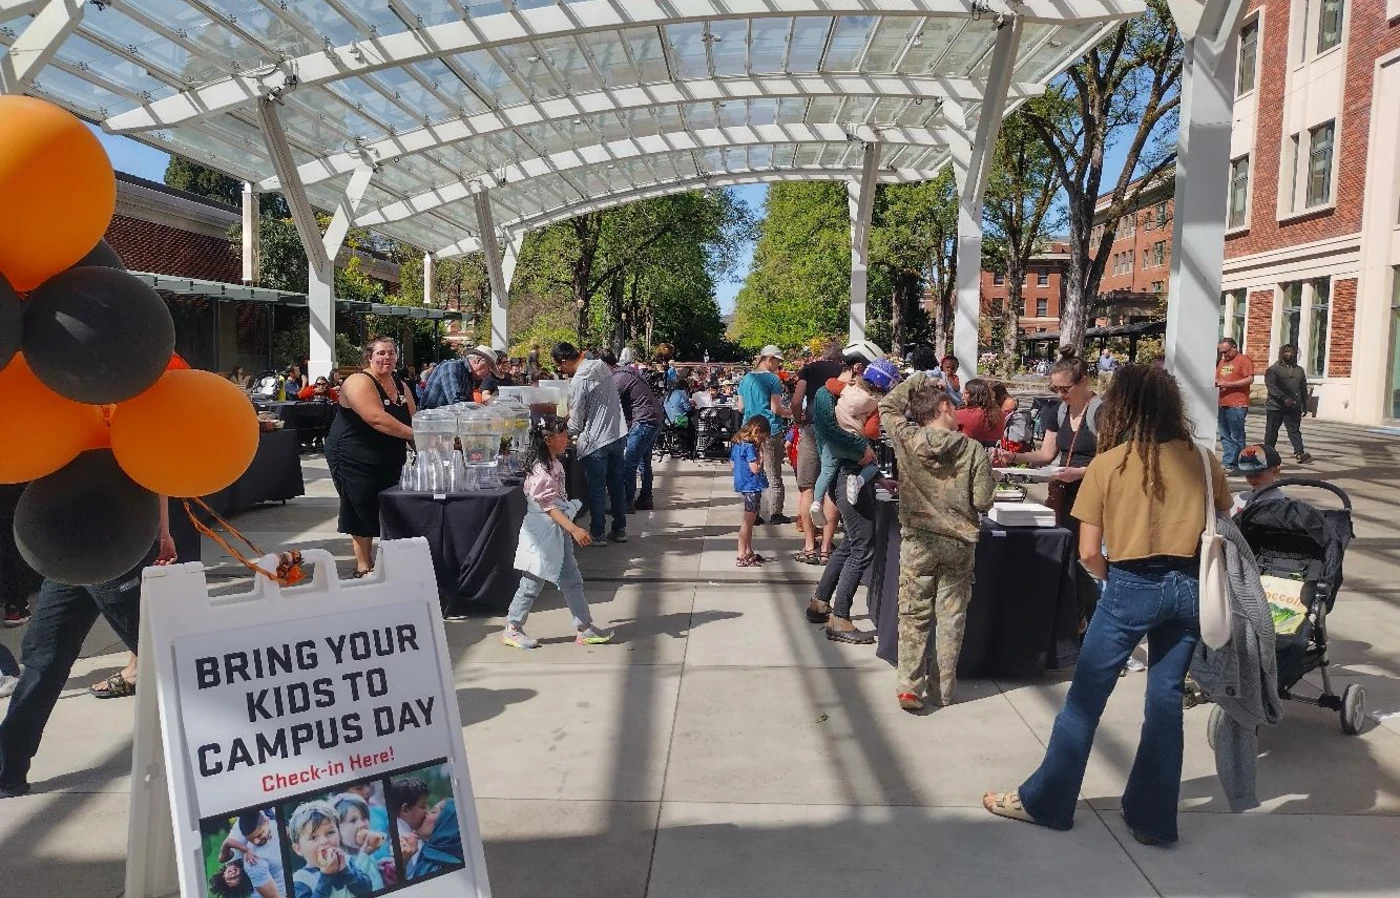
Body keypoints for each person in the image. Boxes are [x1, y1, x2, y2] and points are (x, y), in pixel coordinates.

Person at [984, 363, 1231, 846]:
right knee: (1164, 702)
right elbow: (1220, 519)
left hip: (1129, 585)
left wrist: (1110, 579)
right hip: (1187, 588)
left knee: (1084, 702)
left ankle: (1048, 801)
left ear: (1121, 408)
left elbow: (1089, 551)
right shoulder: (1202, 459)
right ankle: (1152, 817)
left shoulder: (1109, 464)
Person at [0, 502, 175, 797]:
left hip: (115, 547)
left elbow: (154, 470)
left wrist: (163, 533)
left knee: (162, 662)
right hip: (68, 555)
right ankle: (7, 772)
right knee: (43, 656)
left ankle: (219, 748)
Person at [878, 373, 995, 711]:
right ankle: (943, 689)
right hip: (958, 543)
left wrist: (916, 379)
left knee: (913, 613)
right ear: (944, 407)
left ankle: (908, 687)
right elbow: (984, 499)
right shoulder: (972, 449)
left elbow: (888, 404)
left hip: (918, 541)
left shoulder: (906, 438)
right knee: (951, 616)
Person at [994, 349, 1104, 652]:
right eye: (1054, 389)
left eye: (1064, 389)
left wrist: (1081, 471)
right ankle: (1082, 619)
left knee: (1083, 555)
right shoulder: (1058, 411)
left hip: (1093, 494)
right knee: (1067, 554)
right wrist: (1013, 457)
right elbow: (1046, 454)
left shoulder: (1101, 411)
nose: (1059, 394)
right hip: (1064, 493)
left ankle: (1091, 619)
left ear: (1083, 381)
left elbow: (1114, 460)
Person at [505, 416, 614, 648]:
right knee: (533, 580)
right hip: (543, 533)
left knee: (571, 578)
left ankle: (584, 627)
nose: (567, 438)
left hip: (556, 530)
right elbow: (548, 507)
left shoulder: (554, 464)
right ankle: (512, 627)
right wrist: (573, 528)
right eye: (562, 435)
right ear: (548, 440)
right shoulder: (540, 471)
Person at [805, 340, 886, 644]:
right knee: (862, 546)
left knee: (851, 543)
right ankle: (840, 617)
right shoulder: (828, 396)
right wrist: (862, 447)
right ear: (858, 368)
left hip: (846, 472)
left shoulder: (834, 394)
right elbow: (833, 435)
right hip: (848, 473)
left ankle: (820, 602)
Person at [325, 337, 415, 578]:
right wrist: (417, 435)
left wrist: (425, 444)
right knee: (361, 505)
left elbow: (411, 419)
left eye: (392, 353)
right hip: (354, 454)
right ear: (369, 356)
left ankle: (389, 561)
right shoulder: (358, 382)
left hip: (388, 454)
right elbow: (377, 418)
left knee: (388, 504)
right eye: (381, 353)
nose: (387, 358)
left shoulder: (400, 383)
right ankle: (363, 566)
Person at [551, 342, 630, 545]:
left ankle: (598, 534)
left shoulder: (579, 382)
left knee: (596, 489)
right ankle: (620, 529)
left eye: (561, 367)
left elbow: (576, 423)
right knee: (616, 485)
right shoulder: (601, 366)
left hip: (595, 442)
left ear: (565, 361)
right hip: (617, 434)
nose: (562, 371)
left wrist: (559, 433)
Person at [791, 340, 844, 565]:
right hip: (837, 432)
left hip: (812, 430)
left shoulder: (809, 369)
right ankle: (826, 549)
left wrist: (798, 420)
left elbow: (796, 401)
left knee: (807, 489)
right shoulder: (845, 371)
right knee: (832, 488)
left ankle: (809, 547)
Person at [832, 357, 899, 504]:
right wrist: (878, 434)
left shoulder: (847, 388)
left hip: (836, 440)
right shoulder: (874, 404)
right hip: (857, 443)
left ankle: (817, 501)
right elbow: (870, 431)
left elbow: (831, 384)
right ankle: (859, 481)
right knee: (873, 464)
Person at [738, 345, 791, 525]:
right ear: (769, 359)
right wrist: (792, 412)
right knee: (774, 473)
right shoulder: (772, 380)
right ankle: (776, 513)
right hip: (770, 429)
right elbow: (776, 408)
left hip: (749, 429)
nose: (778, 366)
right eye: (778, 362)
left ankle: (755, 513)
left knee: (754, 472)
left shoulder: (745, 378)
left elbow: (741, 407)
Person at [605, 349, 664, 512]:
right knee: (644, 461)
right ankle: (645, 498)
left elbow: (609, 406)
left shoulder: (618, 378)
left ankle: (625, 502)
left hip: (644, 420)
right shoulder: (629, 372)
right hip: (653, 418)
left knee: (627, 463)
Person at [286, 800, 373, 898]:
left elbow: (367, 889)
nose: (324, 841)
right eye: (313, 837)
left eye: (330, 832)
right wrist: (326, 876)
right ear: (298, 849)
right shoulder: (301, 880)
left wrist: (346, 871)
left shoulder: (346, 861)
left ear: (339, 834)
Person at [731, 416, 772, 567]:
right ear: (758, 431)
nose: (763, 440)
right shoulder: (750, 447)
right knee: (748, 522)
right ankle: (741, 553)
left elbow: (732, 465)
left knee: (750, 520)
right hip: (752, 486)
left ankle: (748, 550)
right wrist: (761, 457)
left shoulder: (737, 444)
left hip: (743, 484)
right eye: (763, 437)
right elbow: (755, 469)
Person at [221, 809, 288, 898]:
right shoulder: (253, 862)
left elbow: (226, 846)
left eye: (229, 878)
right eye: (236, 878)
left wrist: (246, 850)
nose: (255, 842)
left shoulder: (234, 855)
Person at [1264, 343, 1312, 464]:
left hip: (1293, 407)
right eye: (1286, 352)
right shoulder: (1273, 369)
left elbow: (1303, 388)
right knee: (1271, 431)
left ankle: (1300, 453)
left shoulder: (1299, 370)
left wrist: (1305, 404)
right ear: (1281, 353)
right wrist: (1284, 397)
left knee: (1294, 430)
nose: (1289, 354)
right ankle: (1268, 453)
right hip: (1275, 406)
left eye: (1292, 352)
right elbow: (1271, 387)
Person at [332, 792, 388, 890]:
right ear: (338, 829)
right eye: (353, 820)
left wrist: (378, 866)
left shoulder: (364, 850)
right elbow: (353, 883)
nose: (362, 824)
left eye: (364, 818)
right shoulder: (340, 861)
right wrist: (365, 855)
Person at [1216, 337, 1255, 472]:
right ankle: (1228, 463)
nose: (1224, 355)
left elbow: (1250, 379)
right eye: (1221, 352)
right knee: (1224, 435)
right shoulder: (1222, 362)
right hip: (1223, 402)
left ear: (1234, 347)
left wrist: (1229, 384)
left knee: (1237, 436)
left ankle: (1240, 464)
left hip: (1237, 404)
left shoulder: (1243, 360)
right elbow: (1218, 377)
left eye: (1226, 352)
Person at [419, 344, 498, 408]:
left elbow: (467, 403)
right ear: (478, 361)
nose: (488, 374)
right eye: (488, 369)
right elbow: (456, 403)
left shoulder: (470, 377)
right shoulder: (452, 366)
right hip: (432, 420)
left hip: (447, 419)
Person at [1232, 443, 1286, 515]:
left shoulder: (1283, 504)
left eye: (1257, 475)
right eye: (1248, 475)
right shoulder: (1239, 499)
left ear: (1275, 471)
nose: (1252, 479)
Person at [955, 378, 1006, 446]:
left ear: (973, 394)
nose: (962, 397)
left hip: (969, 452)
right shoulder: (999, 413)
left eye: (965, 393)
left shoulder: (963, 414)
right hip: (994, 451)